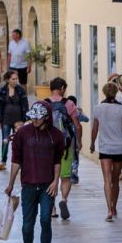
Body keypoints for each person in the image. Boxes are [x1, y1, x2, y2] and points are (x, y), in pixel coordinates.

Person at [3, 103, 65, 243]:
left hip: (47, 186)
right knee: (27, 225)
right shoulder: (23, 133)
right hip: (28, 185)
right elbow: (16, 160)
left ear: (46, 117)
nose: (35, 121)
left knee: (45, 220)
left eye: (38, 118)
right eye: (33, 117)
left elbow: (57, 161)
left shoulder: (56, 136)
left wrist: (55, 182)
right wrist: (10, 183)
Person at [89, 81, 122, 222]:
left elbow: (95, 129)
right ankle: (114, 207)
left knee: (107, 180)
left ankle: (109, 210)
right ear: (116, 93)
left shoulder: (98, 108)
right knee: (115, 180)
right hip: (119, 148)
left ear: (104, 92)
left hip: (105, 148)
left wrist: (92, 143)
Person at [44, 78, 81, 221]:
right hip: (66, 145)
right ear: (62, 88)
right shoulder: (69, 103)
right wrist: (79, 142)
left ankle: (52, 208)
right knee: (65, 177)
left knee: (49, 177)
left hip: (47, 147)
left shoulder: (44, 104)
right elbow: (77, 126)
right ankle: (64, 199)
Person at [0, 69, 28, 171]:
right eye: (13, 79)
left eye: (16, 79)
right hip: (6, 119)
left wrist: (25, 120)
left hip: (18, 121)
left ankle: (19, 161)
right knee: (5, 140)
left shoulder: (20, 90)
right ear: (7, 80)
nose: (15, 81)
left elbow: (25, 105)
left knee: (19, 142)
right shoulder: (3, 90)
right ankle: (3, 160)